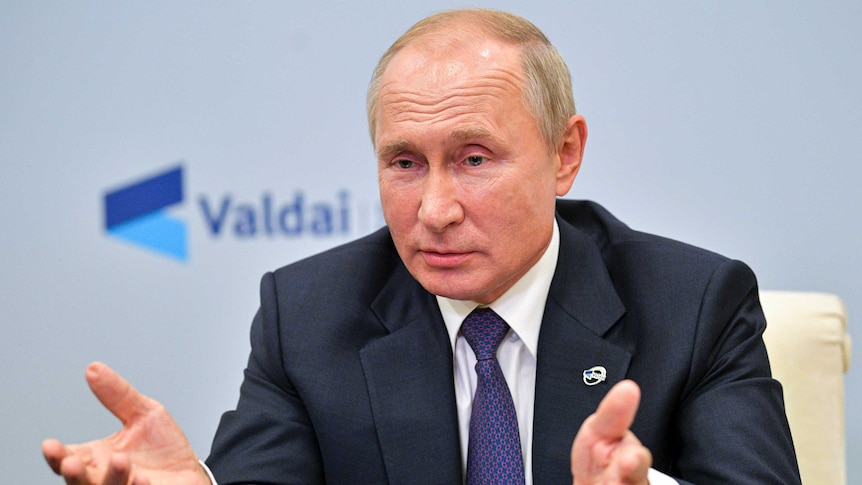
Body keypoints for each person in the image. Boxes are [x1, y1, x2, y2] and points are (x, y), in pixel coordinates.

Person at [42, 8, 800, 485]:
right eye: (405, 162)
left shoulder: (696, 304)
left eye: (474, 159)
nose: (434, 209)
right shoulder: (306, 314)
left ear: (564, 154)